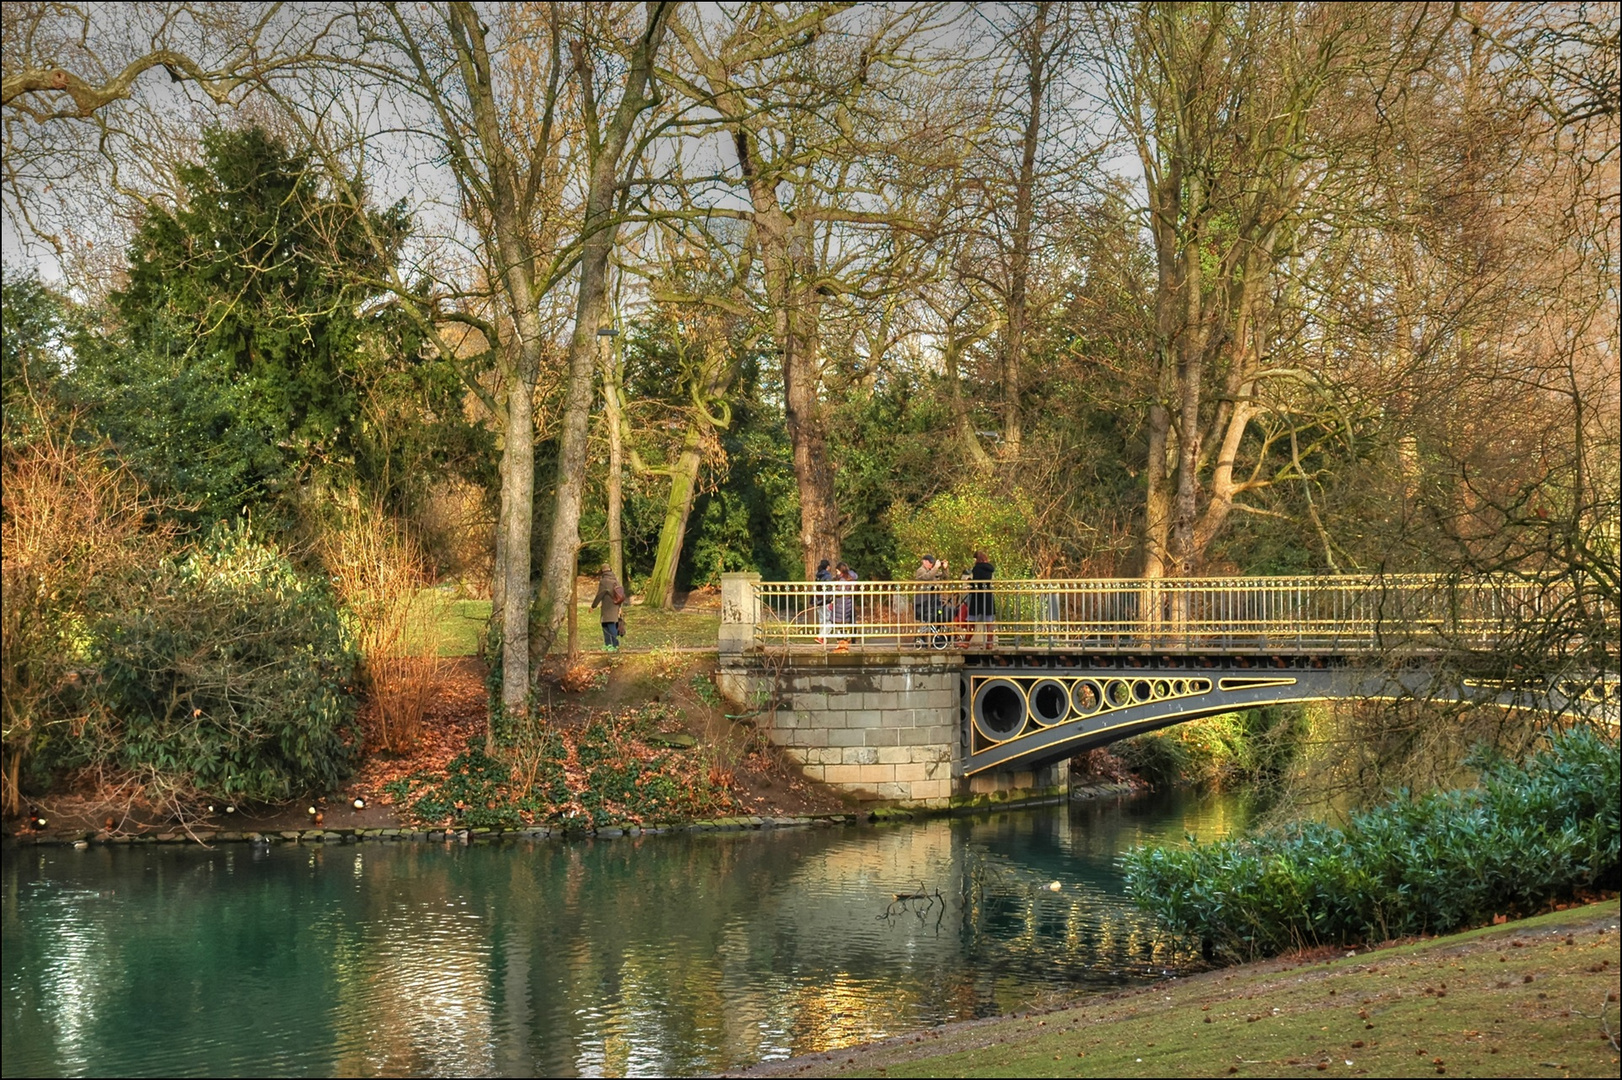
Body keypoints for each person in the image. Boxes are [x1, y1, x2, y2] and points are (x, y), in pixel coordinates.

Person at [912, 554, 947, 646]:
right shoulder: (920, 570)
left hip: (933, 599)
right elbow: (927, 577)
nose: (931, 565)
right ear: (924, 561)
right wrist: (935, 567)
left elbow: (945, 577)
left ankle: (937, 637)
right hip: (923, 600)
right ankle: (921, 638)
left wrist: (944, 568)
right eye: (930, 563)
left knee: (936, 616)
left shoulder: (932, 571)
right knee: (926, 618)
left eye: (933, 563)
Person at [590, 564, 626, 650]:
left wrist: (593, 606)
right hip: (615, 605)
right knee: (609, 624)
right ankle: (610, 645)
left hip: (607, 607)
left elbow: (600, 594)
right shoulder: (615, 580)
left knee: (607, 625)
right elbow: (619, 595)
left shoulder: (604, 581)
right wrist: (619, 607)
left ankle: (612, 645)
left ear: (602, 571)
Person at [966, 549, 996, 649]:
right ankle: (989, 642)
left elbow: (976, 582)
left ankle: (966, 642)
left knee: (972, 620)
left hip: (977, 596)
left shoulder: (977, 568)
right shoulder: (990, 569)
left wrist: (969, 581)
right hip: (987, 595)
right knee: (989, 621)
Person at [815, 558, 835, 644]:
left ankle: (821, 637)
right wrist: (832, 599)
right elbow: (830, 589)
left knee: (822, 620)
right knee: (830, 619)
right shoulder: (828, 576)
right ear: (828, 567)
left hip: (818, 600)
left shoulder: (817, 576)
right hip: (826, 600)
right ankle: (821, 636)